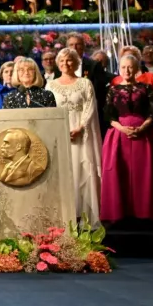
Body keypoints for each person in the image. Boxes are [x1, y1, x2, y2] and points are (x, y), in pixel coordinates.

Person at [100, 54, 153, 224]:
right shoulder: (112, 90)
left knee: (146, 174)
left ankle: (148, 212)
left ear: (136, 69)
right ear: (119, 69)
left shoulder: (146, 88)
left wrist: (142, 127)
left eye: (130, 67)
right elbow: (109, 115)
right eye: (123, 67)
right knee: (119, 174)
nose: (127, 70)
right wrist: (122, 128)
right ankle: (121, 213)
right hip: (118, 137)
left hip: (145, 136)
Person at [47, 48, 102, 222]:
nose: (65, 64)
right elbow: (48, 110)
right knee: (64, 171)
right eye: (62, 61)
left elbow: (90, 107)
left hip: (81, 133)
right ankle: (65, 215)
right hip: (59, 132)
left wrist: (80, 127)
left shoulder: (85, 83)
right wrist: (60, 130)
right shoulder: (51, 85)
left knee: (82, 169)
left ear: (77, 62)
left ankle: (85, 215)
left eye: (69, 60)